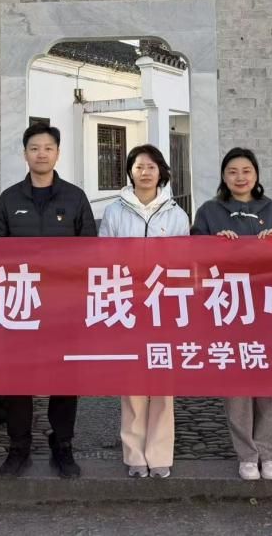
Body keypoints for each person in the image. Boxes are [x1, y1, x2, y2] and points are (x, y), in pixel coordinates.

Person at [0, 123, 97, 478]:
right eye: (34, 148)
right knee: (17, 378)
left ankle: (62, 445)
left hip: (63, 306)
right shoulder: (9, 200)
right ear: (25, 153)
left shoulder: (75, 198)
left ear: (57, 153)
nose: (41, 154)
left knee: (65, 378)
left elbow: (90, 251)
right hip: (20, 304)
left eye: (48, 148)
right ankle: (18, 447)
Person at [192, 147, 272, 482]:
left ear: (256, 174)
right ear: (223, 176)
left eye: (246, 170)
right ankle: (247, 454)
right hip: (228, 308)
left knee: (270, 384)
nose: (240, 177)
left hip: (267, 308)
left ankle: (270, 453)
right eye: (232, 171)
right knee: (237, 385)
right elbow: (192, 256)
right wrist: (213, 244)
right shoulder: (209, 212)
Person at [99, 144, 190, 480]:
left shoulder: (177, 215)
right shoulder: (114, 212)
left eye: (151, 166)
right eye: (139, 166)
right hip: (128, 305)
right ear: (130, 171)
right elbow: (103, 258)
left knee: (163, 384)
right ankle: (134, 454)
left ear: (161, 172)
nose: (145, 172)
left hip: (164, 306)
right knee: (133, 383)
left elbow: (184, 263)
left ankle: (160, 454)